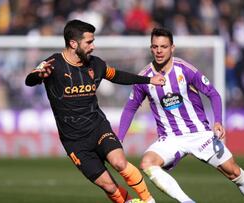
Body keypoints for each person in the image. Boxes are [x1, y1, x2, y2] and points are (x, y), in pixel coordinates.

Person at [25, 19, 166, 203]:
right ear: (73, 43)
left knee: (120, 163)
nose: (93, 46)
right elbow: (30, 79)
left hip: (98, 128)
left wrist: (148, 80)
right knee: (108, 186)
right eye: (89, 42)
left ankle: (148, 200)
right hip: (74, 141)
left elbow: (117, 76)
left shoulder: (96, 64)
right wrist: (38, 76)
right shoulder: (53, 64)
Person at [118, 27, 244, 203]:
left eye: (164, 46)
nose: (159, 51)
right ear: (151, 48)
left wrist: (218, 121)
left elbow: (213, 94)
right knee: (147, 163)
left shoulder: (184, 70)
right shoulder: (144, 77)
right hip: (170, 137)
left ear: (172, 48)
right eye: (155, 46)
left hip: (199, 133)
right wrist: (119, 139)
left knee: (233, 171)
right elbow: (130, 108)